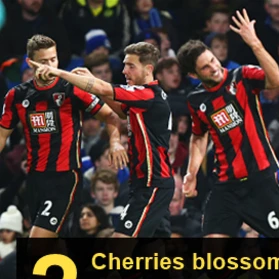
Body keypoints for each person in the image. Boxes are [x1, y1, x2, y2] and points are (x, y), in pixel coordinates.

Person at [30, 41, 175, 238]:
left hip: (153, 183)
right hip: (147, 181)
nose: (124, 70)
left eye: (131, 66)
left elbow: (105, 89)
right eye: (124, 64)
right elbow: (119, 110)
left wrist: (59, 73)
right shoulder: (144, 98)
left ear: (148, 69)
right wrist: (94, 84)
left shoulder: (147, 95)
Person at [177, 10, 279, 239]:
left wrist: (255, 44)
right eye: (206, 67)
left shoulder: (243, 76)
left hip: (261, 181)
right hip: (225, 185)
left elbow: (276, 81)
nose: (214, 67)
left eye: (213, 60)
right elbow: (199, 136)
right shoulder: (196, 100)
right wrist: (191, 172)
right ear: (193, 75)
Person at [0, 35, 125, 240]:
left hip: (65, 177)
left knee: (37, 240)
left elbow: (110, 115)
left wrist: (115, 141)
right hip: (34, 179)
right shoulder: (17, 96)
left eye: (53, 59)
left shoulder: (71, 89)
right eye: (43, 61)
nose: (50, 66)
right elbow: (2, 133)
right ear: (30, 63)